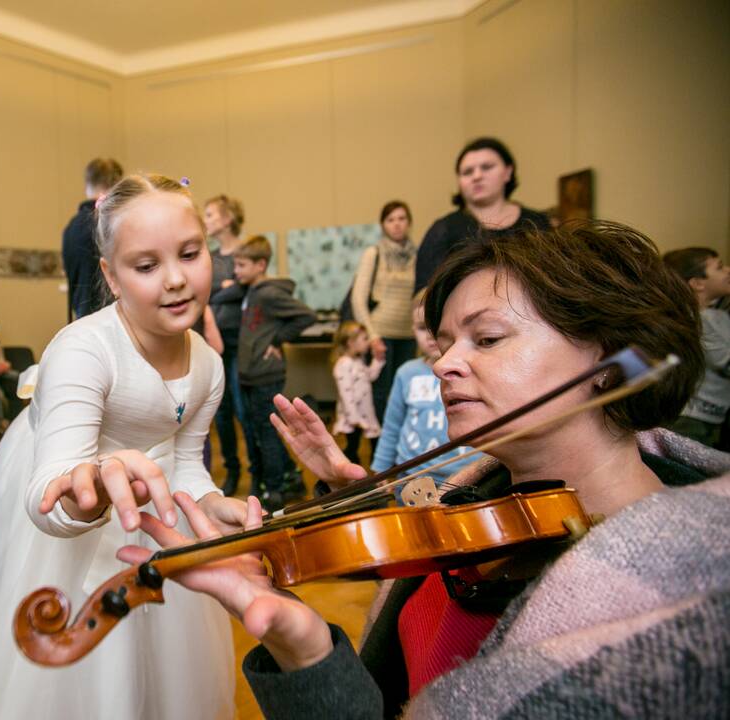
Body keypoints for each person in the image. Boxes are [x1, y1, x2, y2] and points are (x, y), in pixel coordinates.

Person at [123, 221, 730, 719]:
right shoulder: (476, 509)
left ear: (607, 359)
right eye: (443, 346)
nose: (445, 366)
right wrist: (302, 644)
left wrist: (309, 659)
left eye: (486, 339)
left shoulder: (672, 609)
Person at [0, 174, 244, 720]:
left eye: (190, 254)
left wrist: (212, 504)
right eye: (146, 266)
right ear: (110, 276)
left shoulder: (207, 364)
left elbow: (186, 462)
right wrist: (81, 497)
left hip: (150, 509)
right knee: (78, 676)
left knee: (163, 668)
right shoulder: (83, 350)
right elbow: (49, 490)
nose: (175, 280)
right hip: (75, 502)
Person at [371, 292, 482, 501]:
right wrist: (381, 468)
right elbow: (392, 426)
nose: (431, 334)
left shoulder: (472, 371)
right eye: (422, 327)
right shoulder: (406, 373)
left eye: (438, 325)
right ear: (412, 330)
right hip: (412, 477)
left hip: (466, 477)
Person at [233, 235, 316, 511]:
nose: (236, 271)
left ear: (260, 265)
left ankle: (276, 491)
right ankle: (289, 475)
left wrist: (277, 340)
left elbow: (306, 315)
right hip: (251, 375)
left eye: (242, 265)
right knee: (263, 431)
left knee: (267, 434)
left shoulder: (268, 293)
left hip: (266, 376)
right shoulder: (251, 292)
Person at [414, 137, 550, 292]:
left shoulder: (537, 222)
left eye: (487, 167)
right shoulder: (443, 229)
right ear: (459, 182)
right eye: (467, 172)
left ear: (507, 172)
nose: (477, 176)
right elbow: (421, 299)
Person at [205, 194, 255, 495]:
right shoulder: (210, 258)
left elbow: (248, 287)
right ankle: (232, 470)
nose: (206, 220)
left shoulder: (247, 251)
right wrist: (223, 289)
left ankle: (255, 470)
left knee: (242, 409)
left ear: (226, 219)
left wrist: (224, 290)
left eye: (210, 215)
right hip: (213, 344)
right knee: (220, 412)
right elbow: (203, 290)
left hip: (242, 343)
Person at [351, 201, 419, 423]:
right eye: (391, 220)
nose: (397, 224)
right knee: (380, 396)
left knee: (406, 392)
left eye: (401, 218)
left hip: (409, 335)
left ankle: (404, 450)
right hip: (381, 335)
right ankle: (381, 451)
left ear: (409, 222)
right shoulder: (374, 253)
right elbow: (358, 298)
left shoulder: (418, 254)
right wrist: (372, 336)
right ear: (383, 225)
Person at [663, 247, 730, 447]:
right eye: (719, 267)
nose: (727, 269)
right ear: (697, 283)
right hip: (692, 418)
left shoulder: (718, 315)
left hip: (713, 415)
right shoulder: (698, 320)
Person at [62, 157, 123, 322]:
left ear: (87, 184)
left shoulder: (71, 227)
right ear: (117, 183)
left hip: (81, 315)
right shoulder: (109, 222)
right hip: (108, 318)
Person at [331, 321, 384, 465]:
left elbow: (369, 376)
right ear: (350, 342)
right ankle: (347, 465)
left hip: (365, 411)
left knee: (374, 437)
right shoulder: (343, 364)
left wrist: (377, 362)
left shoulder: (357, 361)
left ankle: (377, 464)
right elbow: (346, 394)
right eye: (364, 339)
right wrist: (354, 417)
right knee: (352, 446)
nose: (368, 342)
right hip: (353, 415)